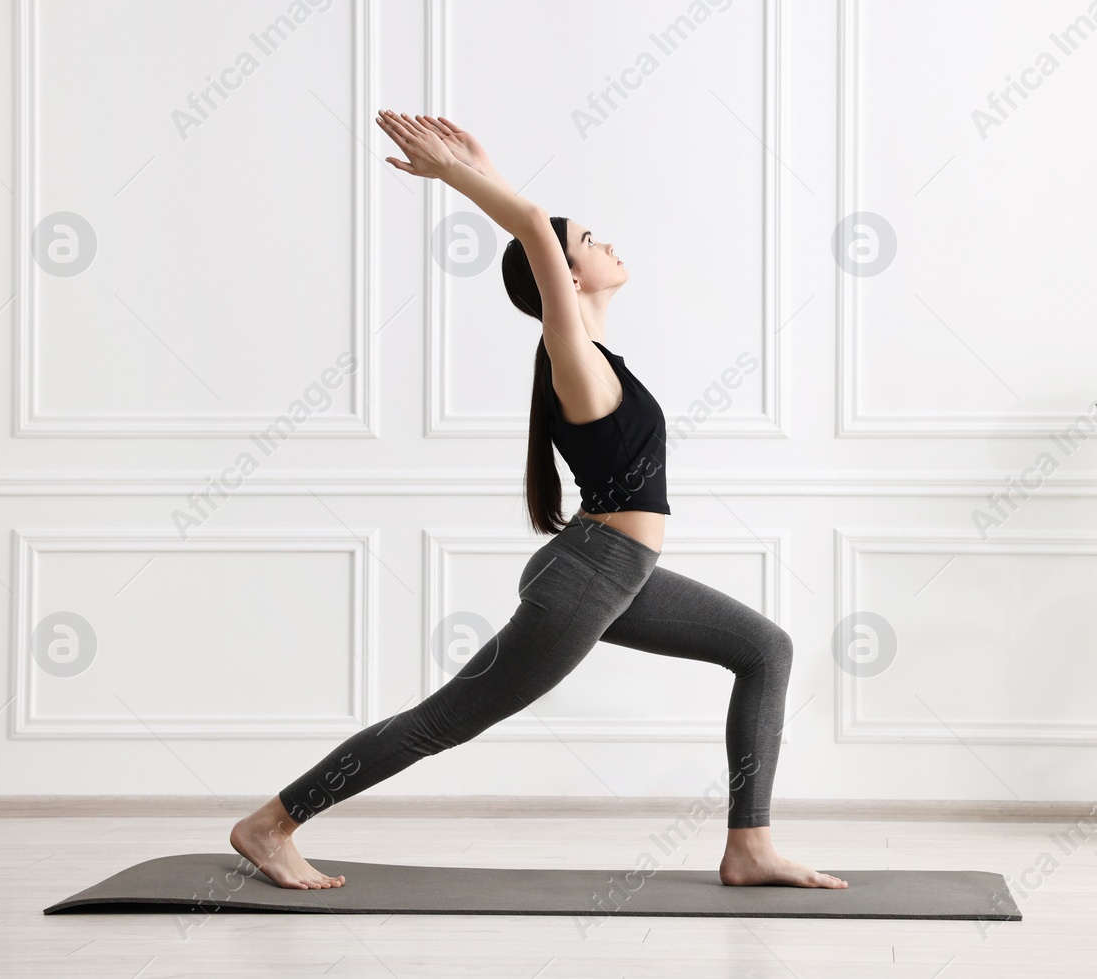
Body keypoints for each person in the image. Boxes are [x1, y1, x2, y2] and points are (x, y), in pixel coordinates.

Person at [228, 111, 846, 892]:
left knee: (765, 648)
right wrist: (461, 177)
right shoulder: (572, 356)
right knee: (443, 721)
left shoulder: (596, 354)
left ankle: (749, 845)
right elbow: (529, 226)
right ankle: (272, 822)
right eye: (587, 241)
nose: (606, 242)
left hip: (614, 571)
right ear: (567, 275)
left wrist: (483, 166)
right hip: (590, 575)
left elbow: (532, 229)